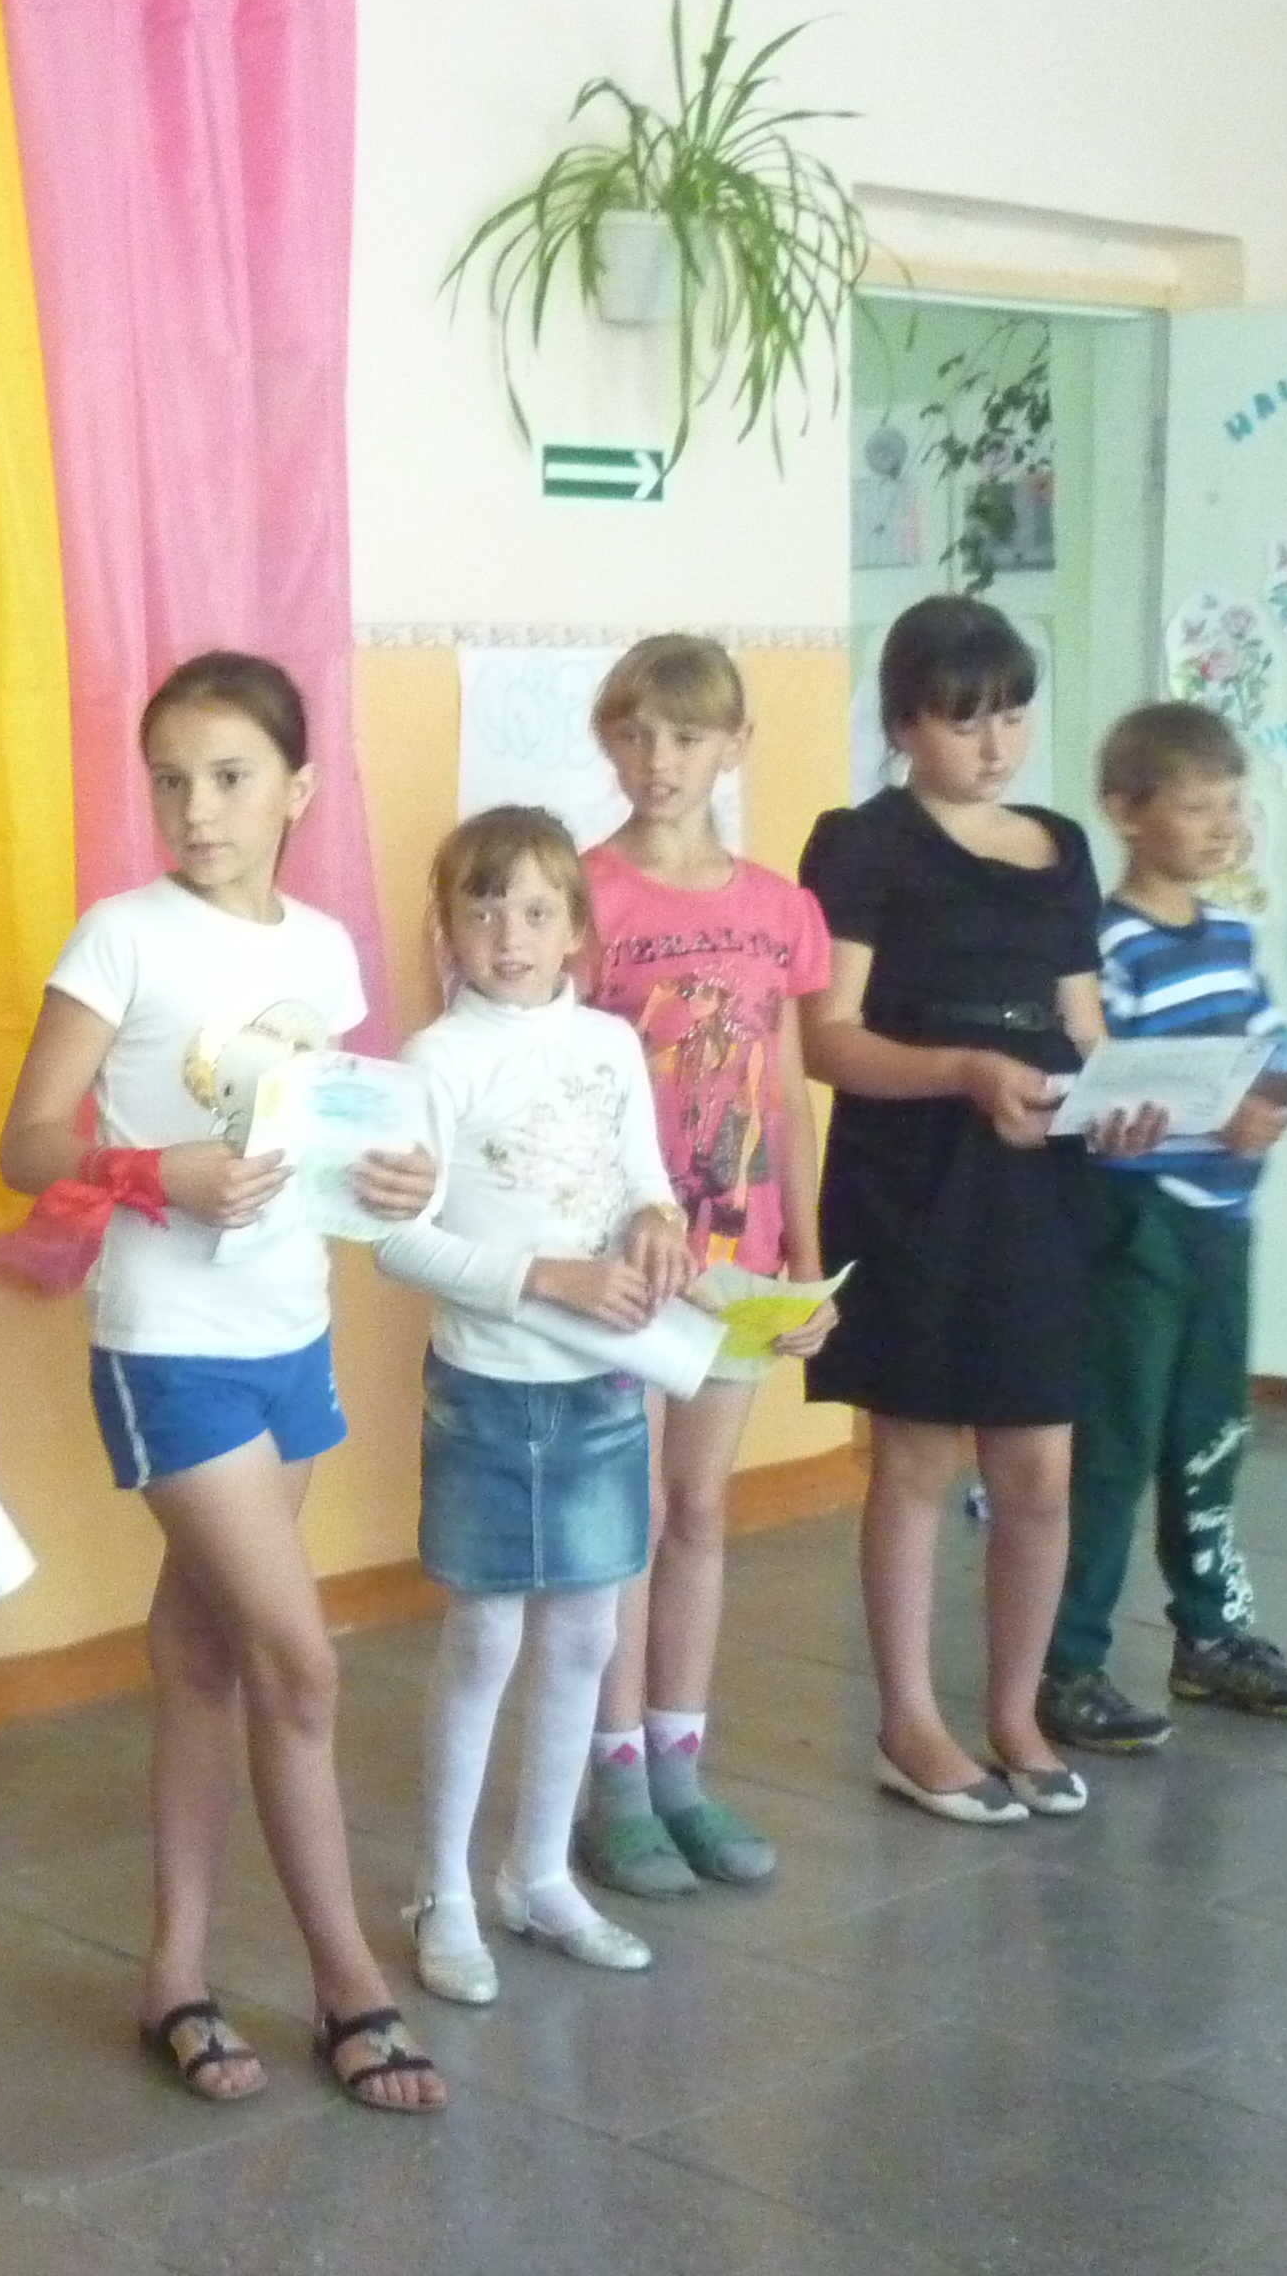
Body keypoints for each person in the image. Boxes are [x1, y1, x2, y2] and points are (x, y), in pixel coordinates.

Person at [0, 651, 447, 2116]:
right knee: (298, 1662)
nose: (197, 807)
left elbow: (330, 1138)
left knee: (200, 1652)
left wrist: (395, 1177)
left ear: (298, 790)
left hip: (288, 1333)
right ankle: (349, 1981)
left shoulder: (323, 948)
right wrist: (151, 1171)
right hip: (169, 1346)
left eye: (232, 777)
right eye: (172, 780)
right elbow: (27, 1144)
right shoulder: (120, 938)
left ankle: (173, 1973)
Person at [796, 596, 1155, 1829]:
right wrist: (960, 1070)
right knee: (915, 1455)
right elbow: (830, 1038)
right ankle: (909, 1721)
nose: (996, 744)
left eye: (1012, 714)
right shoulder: (860, 842)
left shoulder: (1060, 844)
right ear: (903, 725)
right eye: (964, 721)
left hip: (1038, 1174)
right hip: (914, 1174)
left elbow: (1084, 1024)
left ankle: (1015, 1712)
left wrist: (1123, 1101)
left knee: (1040, 1467)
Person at [374, 806, 687, 2001]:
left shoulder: (609, 1044)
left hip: (603, 1384)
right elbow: (397, 1239)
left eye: (537, 910)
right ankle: (443, 1890)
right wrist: (544, 1277)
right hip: (490, 1390)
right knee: (488, 1634)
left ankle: (539, 1873)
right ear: (447, 929)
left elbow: (645, 1180)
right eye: (484, 907)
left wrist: (656, 1223)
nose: (509, 933)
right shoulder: (434, 1059)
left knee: (588, 1633)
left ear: (576, 931)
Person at [570, 635, 841, 1900]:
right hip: (627, 1258)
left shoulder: (780, 909)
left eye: (685, 735)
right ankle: (614, 1774)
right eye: (634, 734)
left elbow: (784, 1088)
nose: (658, 760)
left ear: (734, 744)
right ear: (607, 742)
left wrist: (809, 1255)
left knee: (699, 1507)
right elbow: (564, 1085)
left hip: (741, 1254)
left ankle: (682, 1764)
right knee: (621, 1517)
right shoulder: (584, 897)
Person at [1038, 701, 1287, 1755]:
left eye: (1233, 805)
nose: (1226, 827)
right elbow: (1107, 1084)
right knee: (1115, 1445)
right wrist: (1215, 1114)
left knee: (1212, 1432)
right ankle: (1068, 1661)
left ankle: (1211, 1636)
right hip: (1140, 1225)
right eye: (1198, 807)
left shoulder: (1229, 935)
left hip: (1225, 1221)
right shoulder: (1108, 945)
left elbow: (1262, 1054)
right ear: (1127, 812)